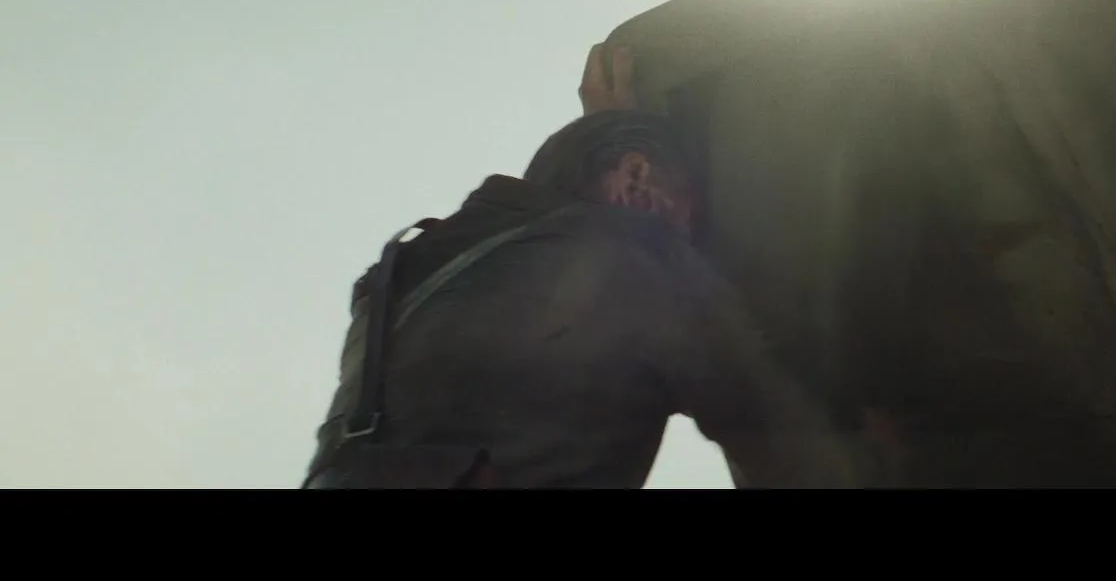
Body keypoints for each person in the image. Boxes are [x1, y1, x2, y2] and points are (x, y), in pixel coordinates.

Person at [302, 45, 859, 488]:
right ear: (637, 181)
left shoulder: (398, 275)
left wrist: (607, 132)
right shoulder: (637, 252)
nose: (688, 239)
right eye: (687, 216)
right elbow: (787, 449)